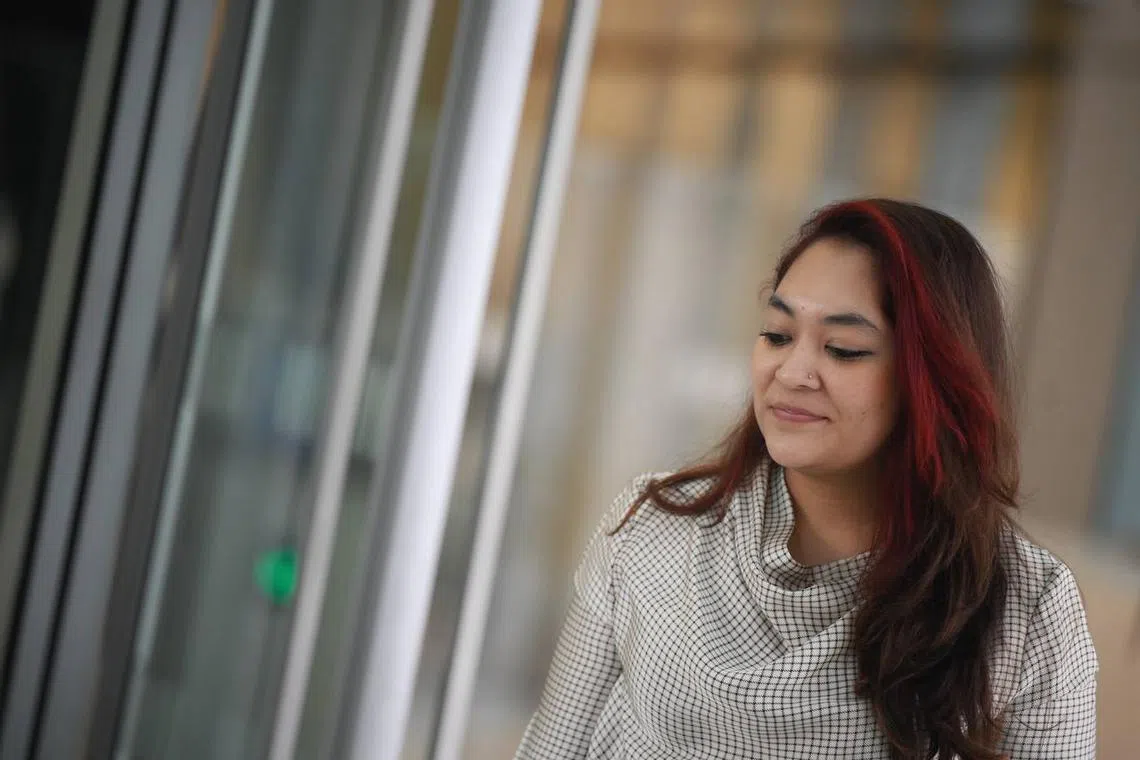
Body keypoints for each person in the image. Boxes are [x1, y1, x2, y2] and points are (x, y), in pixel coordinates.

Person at [514, 199, 1098, 759]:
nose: (792, 372)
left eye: (843, 349)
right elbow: (552, 746)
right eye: (777, 334)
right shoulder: (656, 524)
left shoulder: (1027, 606)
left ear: (932, 381)